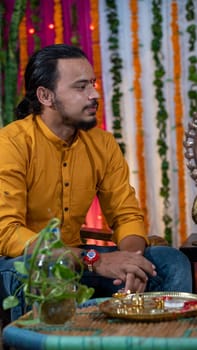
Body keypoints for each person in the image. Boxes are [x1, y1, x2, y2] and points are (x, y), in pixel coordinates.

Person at [0, 44, 192, 321]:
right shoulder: (12, 143)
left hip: (80, 264)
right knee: (47, 270)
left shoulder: (101, 143)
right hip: (22, 266)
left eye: (93, 83)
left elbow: (125, 215)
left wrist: (131, 261)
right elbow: (7, 232)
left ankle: (158, 341)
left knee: (170, 261)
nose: (94, 94)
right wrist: (96, 260)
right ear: (45, 96)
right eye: (80, 87)